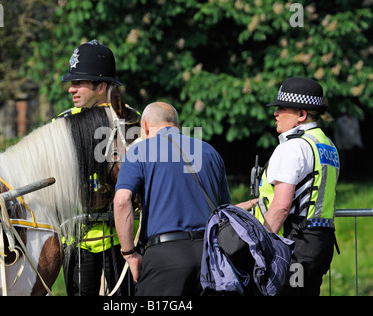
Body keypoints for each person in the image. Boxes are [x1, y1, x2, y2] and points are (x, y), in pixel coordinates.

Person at [113, 102, 232, 296]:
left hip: (164, 258)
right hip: (211, 257)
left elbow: (121, 201)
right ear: (177, 126)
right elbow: (225, 209)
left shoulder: (139, 152)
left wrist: (129, 254)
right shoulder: (210, 152)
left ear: (144, 126)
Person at [237, 77, 340, 296]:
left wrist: (260, 246)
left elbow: (282, 206)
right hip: (320, 243)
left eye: (282, 108)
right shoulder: (327, 145)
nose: (275, 113)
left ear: (301, 115)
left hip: (295, 244)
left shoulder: (293, 147)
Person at [56, 39, 140, 296]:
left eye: (79, 82)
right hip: (76, 240)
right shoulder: (62, 123)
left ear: (101, 86)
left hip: (120, 238)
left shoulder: (131, 120)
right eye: (72, 83)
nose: (72, 89)